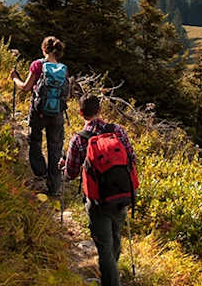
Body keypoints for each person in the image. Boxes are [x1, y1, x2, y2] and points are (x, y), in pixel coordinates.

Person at [61, 95, 138, 286]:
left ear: (80, 113)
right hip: (121, 194)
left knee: (104, 246)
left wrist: (63, 166)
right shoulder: (117, 131)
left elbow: (70, 173)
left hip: (97, 201)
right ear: (100, 110)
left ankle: (111, 281)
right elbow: (131, 158)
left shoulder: (78, 139)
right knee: (115, 235)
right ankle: (113, 271)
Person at [9, 36, 68, 195]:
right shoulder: (63, 68)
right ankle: (55, 186)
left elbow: (25, 87)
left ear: (44, 49)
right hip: (57, 113)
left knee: (35, 140)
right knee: (55, 147)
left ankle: (40, 174)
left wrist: (15, 77)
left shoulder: (37, 65)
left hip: (39, 112)